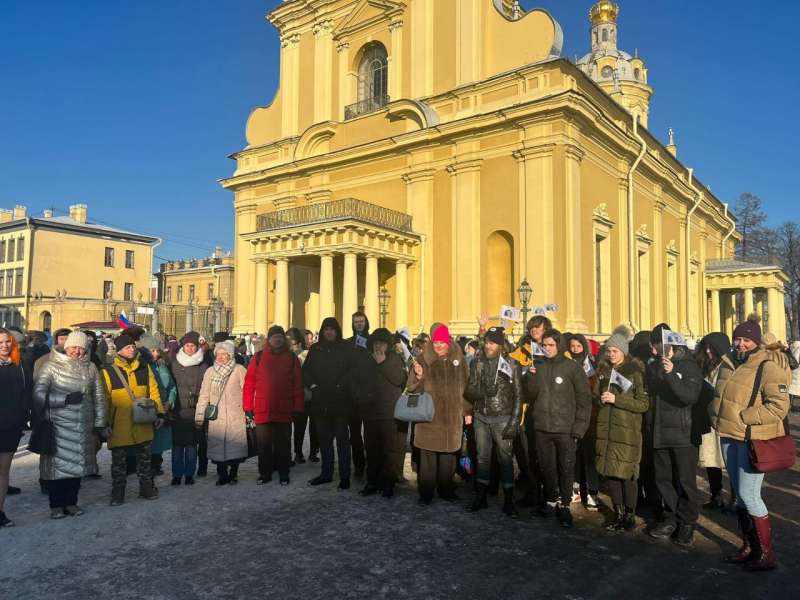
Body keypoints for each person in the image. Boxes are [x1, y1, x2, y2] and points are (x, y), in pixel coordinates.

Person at [711, 317, 791, 571]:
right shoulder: (727, 363)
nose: (741, 343)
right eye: (738, 338)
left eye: (746, 339)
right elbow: (718, 395)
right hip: (727, 436)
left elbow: (779, 406)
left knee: (749, 495)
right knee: (739, 497)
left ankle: (767, 553)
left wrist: (746, 418)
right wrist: (713, 413)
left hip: (750, 439)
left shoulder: (768, 366)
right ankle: (749, 547)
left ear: (755, 342)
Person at [32, 331, 107, 518]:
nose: (77, 351)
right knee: (57, 469)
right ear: (66, 347)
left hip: (82, 426)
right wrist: (64, 399)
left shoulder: (90, 368)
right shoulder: (50, 366)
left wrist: (99, 423)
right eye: (74, 347)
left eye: (81, 348)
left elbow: (99, 396)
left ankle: (72, 502)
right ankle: (56, 505)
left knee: (76, 468)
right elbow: (38, 395)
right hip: (58, 425)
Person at [526, 328, 591, 527]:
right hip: (543, 426)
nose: (547, 349)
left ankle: (565, 504)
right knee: (547, 467)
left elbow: (584, 400)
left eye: (550, 345)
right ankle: (550, 499)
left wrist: (579, 427)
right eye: (544, 345)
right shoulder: (540, 367)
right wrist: (530, 377)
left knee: (566, 468)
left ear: (559, 345)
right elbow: (530, 395)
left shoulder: (572, 368)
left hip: (565, 428)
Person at [646, 324, 704, 547]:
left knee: (685, 481)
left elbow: (688, 396)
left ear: (667, 345)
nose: (653, 350)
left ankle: (687, 522)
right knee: (664, 479)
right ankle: (671, 517)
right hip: (659, 433)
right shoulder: (654, 366)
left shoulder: (688, 366)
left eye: (655, 345)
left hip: (682, 434)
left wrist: (671, 375)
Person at [463, 326, 522, 518]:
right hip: (481, 417)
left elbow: (518, 396)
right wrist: (483, 392)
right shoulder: (477, 364)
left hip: (502, 418)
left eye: (492, 343)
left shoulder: (512, 365)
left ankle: (508, 500)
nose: (488, 346)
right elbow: (469, 391)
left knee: (505, 459)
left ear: (500, 345)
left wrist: (514, 421)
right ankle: (481, 497)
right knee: (482, 458)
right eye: (486, 342)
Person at [407, 325, 469, 505]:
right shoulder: (422, 358)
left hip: (451, 417)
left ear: (448, 341)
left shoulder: (459, 359)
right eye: (436, 342)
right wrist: (418, 376)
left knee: (448, 456)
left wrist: (467, 411)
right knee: (427, 457)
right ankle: (426, 492)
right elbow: (411, 388)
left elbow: (466, 387)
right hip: (429, 416)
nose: (439, 345)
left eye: (442, 342)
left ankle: (446, 490)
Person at [101, 334, 164, 505]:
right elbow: (104, 400)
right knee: (119, 463)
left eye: (133, 347)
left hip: (143, 421)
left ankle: (146, 488)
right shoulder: (108, 371)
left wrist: (159, 414)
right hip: (119, 423)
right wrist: (104, 423)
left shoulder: (144, 368)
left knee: (145, 459)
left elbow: (154, 391)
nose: (132, 349)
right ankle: (118, 492)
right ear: (119, 350)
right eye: (128, 347)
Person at [595, 333, 649, 532]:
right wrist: (600, 399)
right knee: (611, 475)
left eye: (615, 351)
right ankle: (617, 513)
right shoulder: (603, 370)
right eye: (608, 351)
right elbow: (596, 397)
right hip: (606, 430)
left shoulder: (634, 372)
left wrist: (617, 400)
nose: (611, 354)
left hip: (626, 433)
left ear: (623, 352)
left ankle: (630, 514)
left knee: (626, 475)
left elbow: (643, 404)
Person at [243, 326, 303, 485]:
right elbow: (249, 384)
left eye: (280, 337)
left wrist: (298, 407)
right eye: (274, 337)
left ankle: (284, 473)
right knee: (264, 446)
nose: (277, 339)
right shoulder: (258, 357)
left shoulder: (291, 358)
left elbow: (297, 384)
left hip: (284, 408)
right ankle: (265, 474)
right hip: (263, 409)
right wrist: (248, 406)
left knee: (283, 445)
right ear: (268, 340)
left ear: (284, 339)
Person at [352, 328, 407, 498]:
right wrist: (359, 396)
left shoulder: (394, 359)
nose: (378, 346)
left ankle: (388, 483)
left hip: (389, 413)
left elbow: (399, 380)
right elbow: (357, 380)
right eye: (376, 343)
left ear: (387, 345)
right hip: (370, 412)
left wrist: (382, 363)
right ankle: (372, 481)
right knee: (372, 449)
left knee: (389, 450)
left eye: (382, 343)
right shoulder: (365, 359)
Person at [303, 318, 353, 489]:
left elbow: (351, 371)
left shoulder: (345, 348)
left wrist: (341, 385)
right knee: (324, 441)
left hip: (340, 401)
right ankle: (326, 473)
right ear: (323, 332)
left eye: (332, 329)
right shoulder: (316, 349)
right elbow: (306, 371)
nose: (329, 332)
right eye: (326, 330)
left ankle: (345, 476)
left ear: (337, 331)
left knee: (342, 441)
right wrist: (313, 386)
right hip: (320, 401)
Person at [510, 315, 552, 510]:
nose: (535, 331)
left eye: (539, 328)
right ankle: (532, 492)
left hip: (549, 411)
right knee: (527, 455)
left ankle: (550, 494)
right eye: (532, 328)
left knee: (545, 456)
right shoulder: (522, 350)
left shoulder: (554, 348)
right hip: (526, 411)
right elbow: (511, 371)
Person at [196, 340, 248, 485]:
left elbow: (247, 391)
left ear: (230, 355)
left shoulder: (239, 370)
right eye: (218, 354)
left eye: (224, 354)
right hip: (216, 416)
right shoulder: (210, 371)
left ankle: (234, 473)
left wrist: (248, 409)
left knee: (235, 445)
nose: (221, 357)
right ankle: (222, 474)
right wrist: (200, 415)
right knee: (218, 446)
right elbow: (204, 394)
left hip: (235, 414)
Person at [696, 332, 735, 511]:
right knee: (712, 460)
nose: (709, 351)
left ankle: (736, 498)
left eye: (712, 348)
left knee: (731, 462)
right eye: (706, 347)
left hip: (726, 419)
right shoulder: (704, 365)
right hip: (708, 418)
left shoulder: (729, 366)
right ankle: (716, 494)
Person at [565, 333, 600, 511]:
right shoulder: (567, 365)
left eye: (579, 347)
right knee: (574, 456)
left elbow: (595, 391)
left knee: (589, 457)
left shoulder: (591, 367)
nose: (575, 350)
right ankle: (575, 488)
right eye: (572, 346)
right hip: (570, 417)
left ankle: (593, 492)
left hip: (589, 418)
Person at [169, 331, 208, 485]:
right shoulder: (174, 363)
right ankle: (177, 475)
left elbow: (206, 384)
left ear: (197, 346)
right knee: (177, 446)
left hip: (195, 410)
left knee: (192, 445)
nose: (190, 348)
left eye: (193, 346)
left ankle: (189, 474)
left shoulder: (203, 364)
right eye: (187, 345)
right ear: (183, 347)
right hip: (178, 410)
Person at [0, 329, 28, 527]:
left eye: (7, 341)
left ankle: (0, 511)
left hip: (11, 426)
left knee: (3, 471)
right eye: (0, 342)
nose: (4, 345)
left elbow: (26, 394)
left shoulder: (21, 366)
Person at [286, 327, 318, 464]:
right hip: (298, 397)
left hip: (310, 395)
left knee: (313, 427)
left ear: (298, 342)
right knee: (299, 427)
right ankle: (299, 452)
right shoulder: (288, 357)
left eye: (291, 342)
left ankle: (313, 451)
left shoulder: (307, 355)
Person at [345, 311, 370, 479]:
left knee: (370, 433)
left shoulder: (372, 341)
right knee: (354, 434)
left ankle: (372, 462)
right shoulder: (348, 343)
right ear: (353, 324)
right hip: (352, 396)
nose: (359, 324)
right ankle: (359, 464)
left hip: (368, 394)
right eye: (356, 322)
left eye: (361, 321)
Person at [148, 345, 176, 477]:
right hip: (147, 407)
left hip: (162, 408)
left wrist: (170, 401)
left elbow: (171, 387)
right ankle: (144, 464)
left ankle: (156, 464)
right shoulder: (144, 366)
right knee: (147, 438)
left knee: (158, 439)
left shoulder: (163, 365)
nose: (155, 353)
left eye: (156, 350)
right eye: (152, 350)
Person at [790, 341, 800, 413]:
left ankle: (790, 406)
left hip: (793, 374)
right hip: (798, 374)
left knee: (791, 392)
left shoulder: (792, 349)